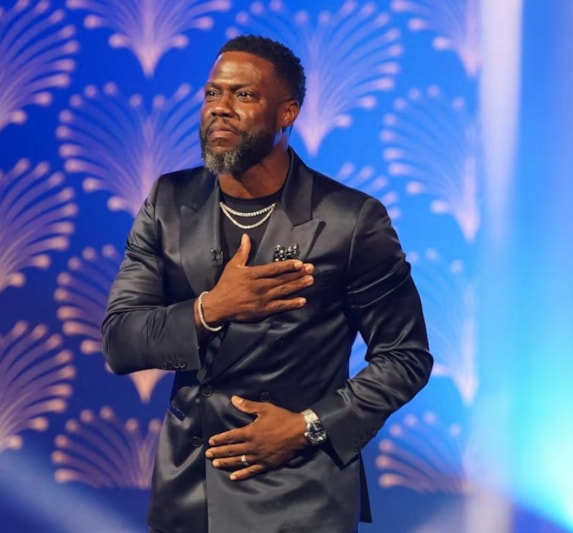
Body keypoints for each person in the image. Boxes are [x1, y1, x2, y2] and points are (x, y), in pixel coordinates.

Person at [101, 34, 433, 533]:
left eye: (244, 95)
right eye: (212, 93)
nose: (220, 108)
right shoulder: (168, 202)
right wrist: (210, 309)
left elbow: (405, 357)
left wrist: (308, 426)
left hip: (298, 495)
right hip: (188, 496)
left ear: (287, 113)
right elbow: (120, 341)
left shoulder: (349, 220)